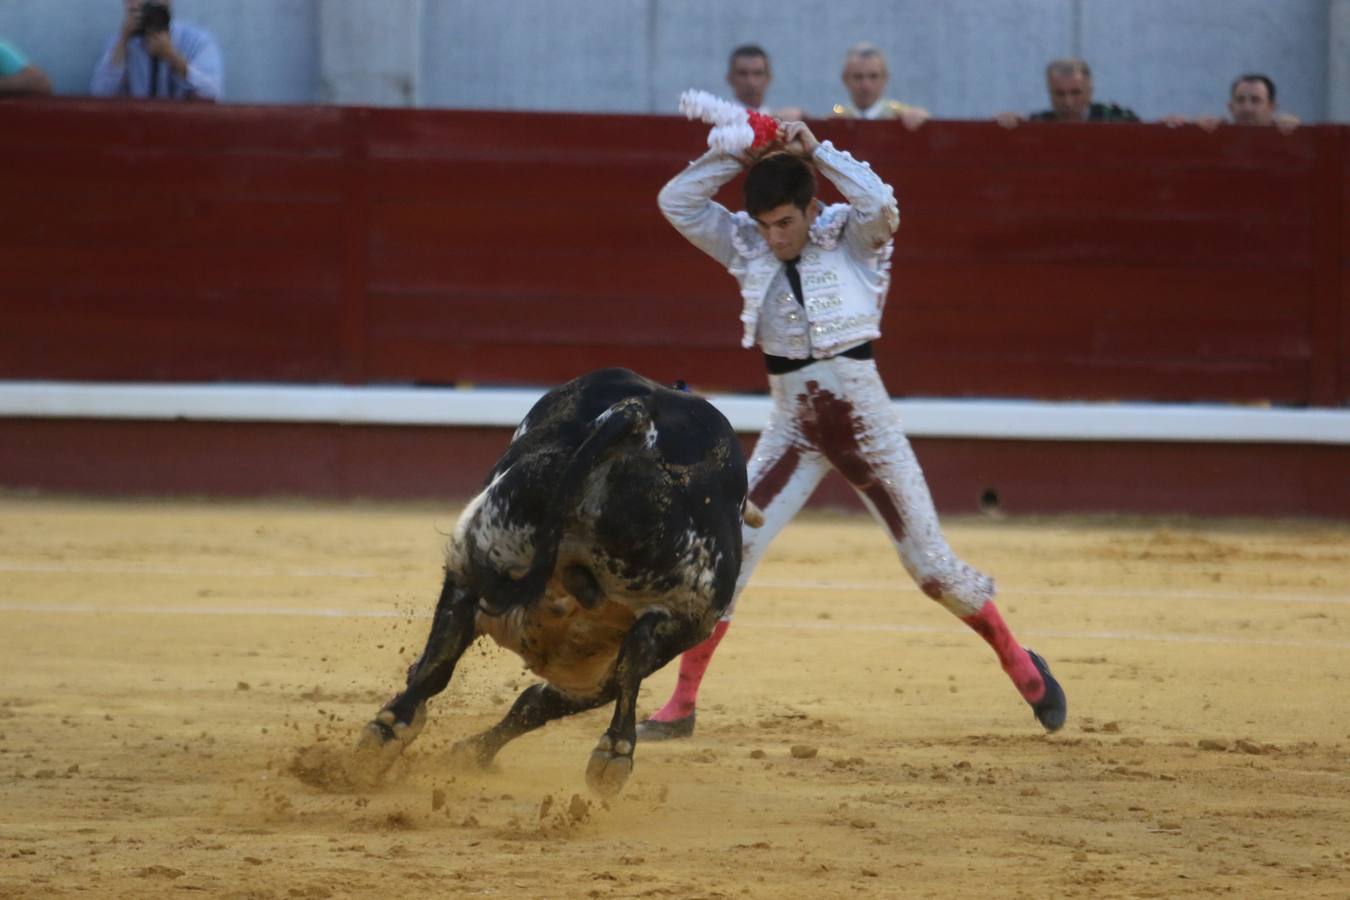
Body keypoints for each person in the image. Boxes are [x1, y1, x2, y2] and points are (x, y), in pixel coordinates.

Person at [645, 117, 1067, 740]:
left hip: (866, 428)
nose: (774, 237)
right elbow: (677, 201)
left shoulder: (851, 236)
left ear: (811, 209)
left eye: (785, 222)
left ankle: (1018, 661)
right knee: (730, 549)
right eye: (765, 224)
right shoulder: (746, 244)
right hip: (793, 429)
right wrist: (739, 150)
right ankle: (682, 704)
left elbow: (881, 203)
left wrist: (818, 151)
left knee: (931, 569)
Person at [91, 0, 222, 101]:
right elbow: (99, 95)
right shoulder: (121, 43)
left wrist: (173, 57)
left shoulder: (196, 41)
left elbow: (212, 94)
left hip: (184, 124)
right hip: (136, 123)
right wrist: (123, 42)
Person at [997, 58, 1137, 127]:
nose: (1068, 102)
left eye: (1075, 93)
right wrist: (1007, 127)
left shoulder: (1116, 118)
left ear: (1090, 92)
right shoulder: (1037, 124)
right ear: (1050, 94)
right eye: (1060, 94)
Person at [831, 43, 929, 131]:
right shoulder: (835, 123)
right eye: (858, 77)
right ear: (845, 79)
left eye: (873, 76)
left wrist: (924, 123)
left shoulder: (904, 119)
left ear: (885, 78)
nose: (866, 85)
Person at [1163, 73, 1299, 134]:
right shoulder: (1214, 133)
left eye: (1256, 100)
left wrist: (1297, 133)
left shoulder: (1289, 135)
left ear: (1272, 107)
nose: (1247, 108)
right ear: (1230, 107)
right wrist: (1176, 129)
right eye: (1240, 100)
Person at [725, 44, 804, 121]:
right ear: (730, 78)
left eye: (757, 73)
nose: (750, 81)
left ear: (769, 78)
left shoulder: (782, 121)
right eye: (742, 73)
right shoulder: (721, 121)